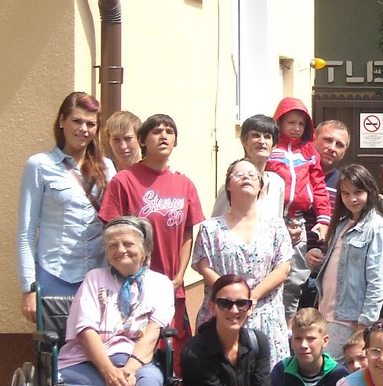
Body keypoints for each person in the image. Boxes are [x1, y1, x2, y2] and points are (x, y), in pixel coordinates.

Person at [56, 216, 171, 386]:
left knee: (151, 378)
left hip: (135, 360)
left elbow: (152, 334)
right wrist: (109, 372)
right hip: (85, 360)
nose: (120, 250)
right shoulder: (94, 278)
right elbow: (86, 331)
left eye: (128, 244)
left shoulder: (161, 284)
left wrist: (127, 371)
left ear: (145, 249)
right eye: (112, 246)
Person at [99, 113, 204, 340]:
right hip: (133, 287)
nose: (163, 136)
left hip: (172, 286)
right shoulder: (124, 181)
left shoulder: (184, 184)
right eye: (156, 132)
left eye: (169, 132)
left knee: (173, 351)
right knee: (137, 349)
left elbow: (187, 233)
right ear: (142, 140)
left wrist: (179, 275)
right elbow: (112, 233)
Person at [18, 91, 114, 320]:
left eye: (91, 124)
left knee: (100, 340)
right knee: (57, 341)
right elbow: (26, 232)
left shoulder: (107, 167)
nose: (83, 129)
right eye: (77, 121)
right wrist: (28, 287)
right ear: (62, 121)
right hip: (55, 275)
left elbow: (115, 223)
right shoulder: (39, 165)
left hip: (98, 276)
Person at [193, 159, 293, 366]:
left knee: (266, 379)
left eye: (252, 175)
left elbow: (283, 268)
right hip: (224, 314)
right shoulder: (210, 229)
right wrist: (234, 300)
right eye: (238, 174)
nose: (246, 177)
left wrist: (251, 298)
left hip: (265, 316)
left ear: (260, 185)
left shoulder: (276, 226)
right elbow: (204, 267)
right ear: (228, 186)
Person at [304, 163, 383, 351]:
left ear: (369, 191)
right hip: (324, 314)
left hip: (349, 319)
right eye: (345, 193)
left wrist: (365, 323)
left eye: (358, 192)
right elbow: (338, 267)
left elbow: (378, 280)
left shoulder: (377, 226)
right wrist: (314, 259)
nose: (352, 199)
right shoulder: (341, 224)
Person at [267, 97, 330, 248]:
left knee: (297, 261)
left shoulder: (310, 154)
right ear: (279, 123)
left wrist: (323, 219)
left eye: (301, 124)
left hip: (298, 220)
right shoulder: (270, 150)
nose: (297, 128)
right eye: (291, 123)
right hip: (271, 217)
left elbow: (319, 186)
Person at [211, 114, 287, 221]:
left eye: (267, 137)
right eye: (256, 135)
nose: (262, 141)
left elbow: (278, 224)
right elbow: (217, 224)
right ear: (243, 140)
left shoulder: (277, 183)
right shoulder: (234, 183)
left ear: (274, 144)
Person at [313, 119, 351, 199]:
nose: (332, 148)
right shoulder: (293, 175)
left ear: (343, 153)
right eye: (328, 140)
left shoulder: (346, 187)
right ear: (313, 140)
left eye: (339, 145)